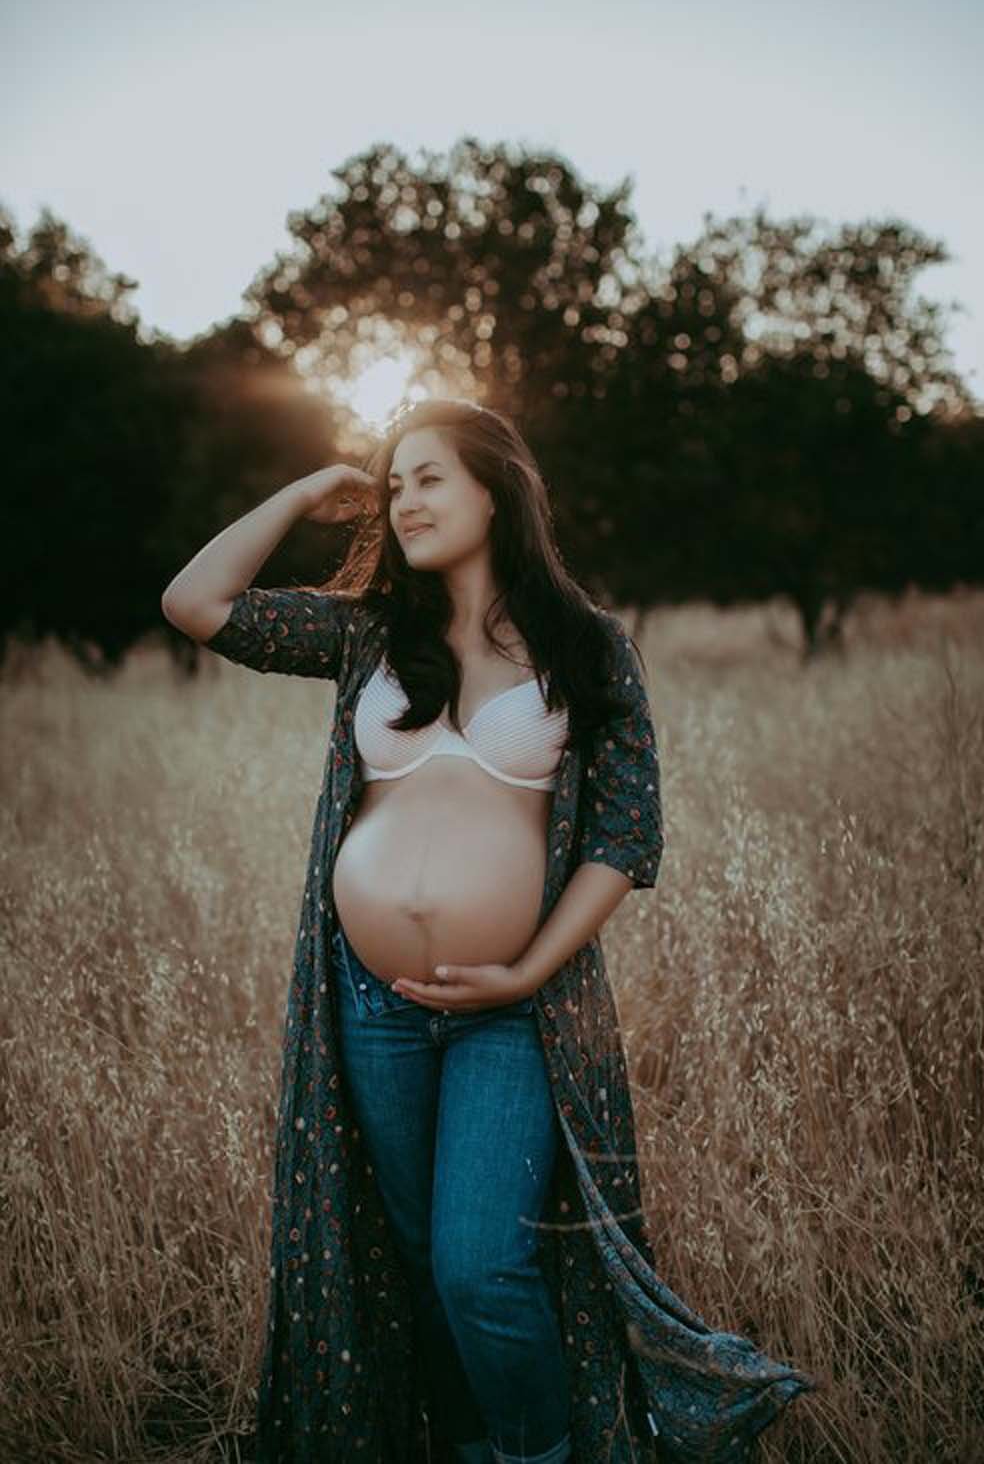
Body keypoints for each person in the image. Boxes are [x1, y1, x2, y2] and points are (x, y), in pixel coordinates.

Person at [162, 398, 817, 1464]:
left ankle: (534, 1451)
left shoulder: (585, 646)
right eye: (391, 482)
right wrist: (295, 495)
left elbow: (623, 836)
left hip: (512, 1010)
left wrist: (524, 974)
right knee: (418, 1260)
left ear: (494, 489)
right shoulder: (373, 632)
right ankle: (461, 1445)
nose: (401, 499)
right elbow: (195, 603)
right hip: (368, 1002)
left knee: (482, 1265)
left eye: (428, 477)